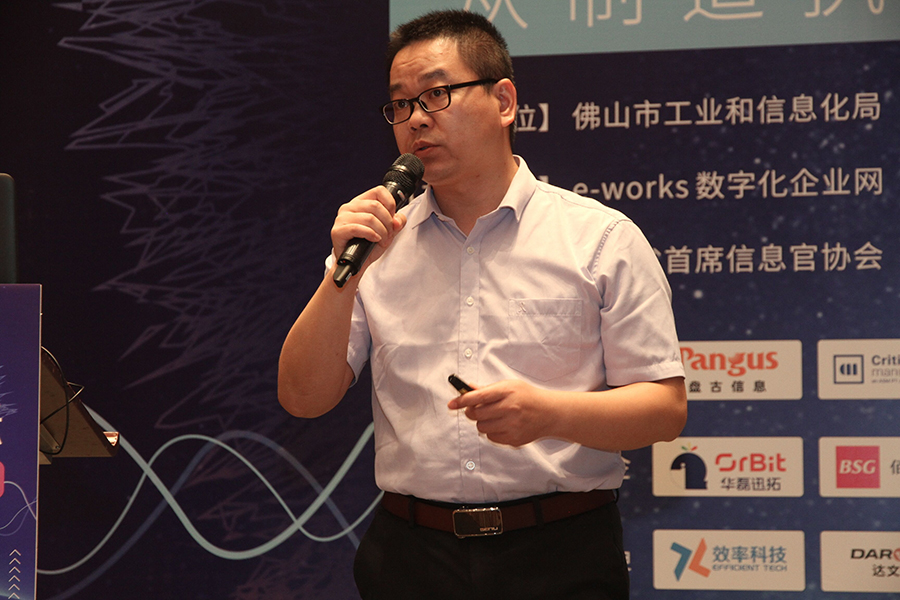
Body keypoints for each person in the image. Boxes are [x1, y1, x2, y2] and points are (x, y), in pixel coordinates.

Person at [278, 9, 687, 599]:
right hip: (411, 556)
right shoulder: (376, 243)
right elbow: (302, 397)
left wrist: (550, 415)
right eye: (400, 104)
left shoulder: (598, 238)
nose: (416, 119)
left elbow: (664, 409)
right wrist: (342, 275)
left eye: (436, 94)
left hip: (559, 553)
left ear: (503, 101)